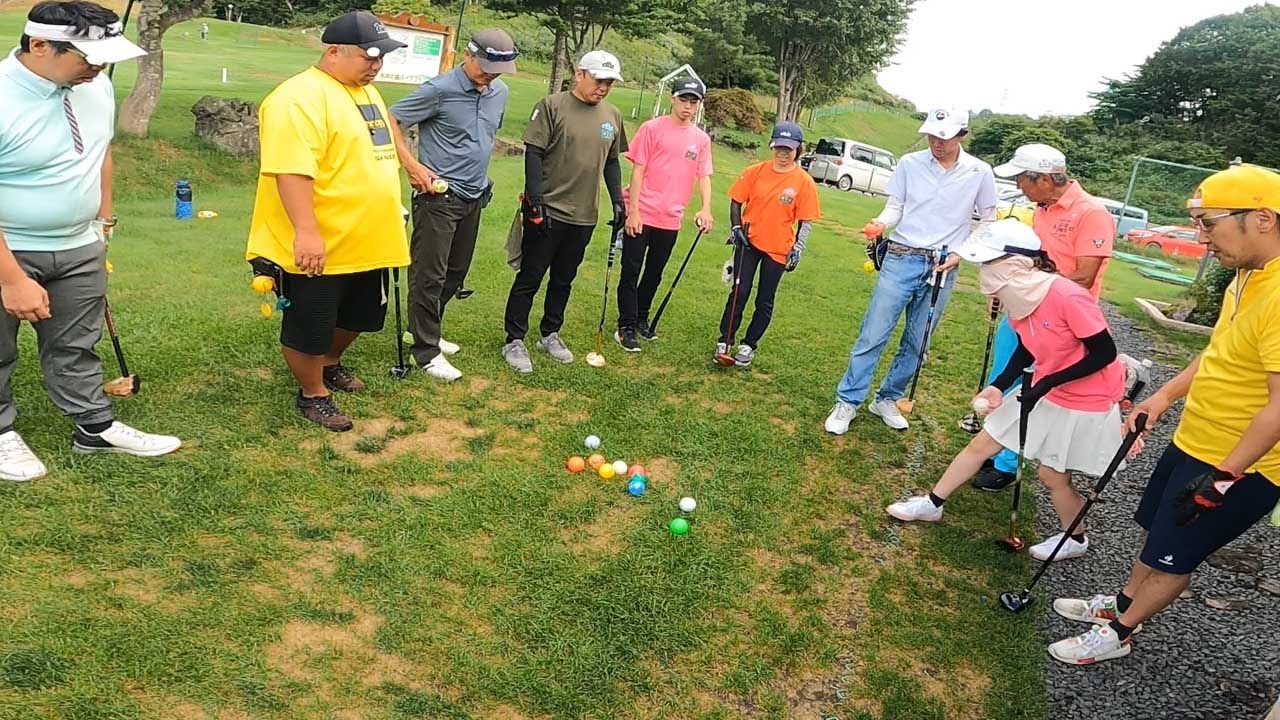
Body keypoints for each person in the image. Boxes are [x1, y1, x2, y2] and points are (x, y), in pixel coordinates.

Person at [1048, 165, 1280, 665]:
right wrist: (1165, 396)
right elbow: (1220, 350)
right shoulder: (1247, 276)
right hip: (1196, 439)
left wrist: (1223, 478)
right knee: (1158, 535)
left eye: (1209, 223)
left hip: (1241, 465)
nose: (1202, 238)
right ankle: (1122, 604)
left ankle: (1120, 633)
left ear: (1262, 218)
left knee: (1176, 555)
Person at [0, 0, 182, 482]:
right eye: (87, 57)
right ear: (40, 45)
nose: (98, 68)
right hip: (8, 247)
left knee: (76, 344)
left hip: (80, 245)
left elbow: (100, 151)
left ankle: (94, 427)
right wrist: (11, 279)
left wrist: (103, 222)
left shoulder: (95, 85)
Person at [885, 219, 1126, 563]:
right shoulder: (1018, 297)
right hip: (1044, 386)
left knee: (1052, 475)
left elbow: (1105, 353)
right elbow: (1027, 347)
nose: (985, 272)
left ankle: (1075, 538)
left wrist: (1046, 384)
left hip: (1084, 398)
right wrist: (999, 385)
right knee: (983, 443)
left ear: (1016, 263)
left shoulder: (1067, 295)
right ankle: (932, 504)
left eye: (989, 262)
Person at [244, 11, 408, 432]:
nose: (377, 64)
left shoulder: (365, 91)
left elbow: (384, 136)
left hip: (368, 236)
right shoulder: (296, 98)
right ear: (334, 51)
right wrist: (307, 232)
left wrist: (411, 170)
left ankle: (330, 362)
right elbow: (291, 171)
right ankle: (312, 392)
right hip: (320, 240)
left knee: (361, 316)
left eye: (382, 57)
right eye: (369, 56)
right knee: (310, 324)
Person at [824, 108, 996, 433]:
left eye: (944, 137)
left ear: (962, 135)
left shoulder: (979, 171)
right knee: (874, 334)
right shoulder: (910, 163)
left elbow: (988, 219)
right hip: (902, 256)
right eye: (931, 135)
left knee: (918, 341)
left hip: (944, 263)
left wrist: (961, 253)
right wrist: (880, 223)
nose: (936, 143)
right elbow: (896, 206)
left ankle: (887, 398)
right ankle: (848, 401)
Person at [973, 143, 1117, 491]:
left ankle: (1008, 463)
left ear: (1044, 178)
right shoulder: (1041, 209)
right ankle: (994, 444)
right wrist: (1008, 289)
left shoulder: (1091, 213)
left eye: (1022, 179)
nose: (1019, 186)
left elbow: (1084, 276)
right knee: (1003, 376)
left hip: (1063, 320)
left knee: (1031, 385)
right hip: (1024, 307)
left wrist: (1029, 289)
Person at [388, 29, 516, 382]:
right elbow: (390, 120)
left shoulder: (500, 92)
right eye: (486, 67)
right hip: (438, 197)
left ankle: (423, 328)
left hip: (474, 194)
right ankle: (425, 352)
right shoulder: (439, 89)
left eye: (498, 70)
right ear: (468, 55)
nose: (491, 76)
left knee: (455, 271)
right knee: (429, 274)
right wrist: (412, 166)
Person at [501, 50, 627, 374]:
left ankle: (550, 333)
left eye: (609, 83)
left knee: (564, 279)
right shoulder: (552, 106)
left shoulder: (612, 115)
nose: (603, 88)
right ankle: (514, 339)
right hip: (548, 210)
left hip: (584, 214)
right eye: (599, 80)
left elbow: (612, 162)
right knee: (530, 276)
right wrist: (535, 201)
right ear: (580, 74)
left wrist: (618, 200)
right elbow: (533, 153)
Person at [615, 75, 714, 350]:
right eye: (683, 100)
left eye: (693, 102)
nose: (687, 106)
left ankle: (641, 317)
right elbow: (638, 170)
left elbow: (704, 176)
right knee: (631, 271)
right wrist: (633, 211)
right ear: (673, 99)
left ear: (699, 105)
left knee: (654, 272)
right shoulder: (652, 128)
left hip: (671, 218)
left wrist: (706, 208)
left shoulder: (701, 140)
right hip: (643, 212)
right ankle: (625, 325)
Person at [715, 121, 820, 367]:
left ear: (798, 149)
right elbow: (736, 200)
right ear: (772, 146)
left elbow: (806, 220)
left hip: (778, 247)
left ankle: (749, 344)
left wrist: (798, 248)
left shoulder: (804, 182)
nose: (783, 153)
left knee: (764, 298)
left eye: (789, 149)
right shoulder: (755, 171)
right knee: (739, 291)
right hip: (748, 240)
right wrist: (736, 228)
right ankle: (725, 340)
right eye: (779, 147)